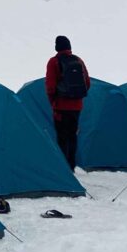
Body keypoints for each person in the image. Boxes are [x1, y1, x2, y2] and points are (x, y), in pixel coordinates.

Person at [45, 35, 91, 171]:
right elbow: (87, 83)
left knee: (62, 137)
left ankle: (63, 168)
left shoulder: (53, 61)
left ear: (57, 47)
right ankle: (71, 166)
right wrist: (77, 97)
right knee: (72, 136)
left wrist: (53, 103)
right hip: (76, 107)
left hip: (61, 106)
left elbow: (50, 87)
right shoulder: (78, 60)